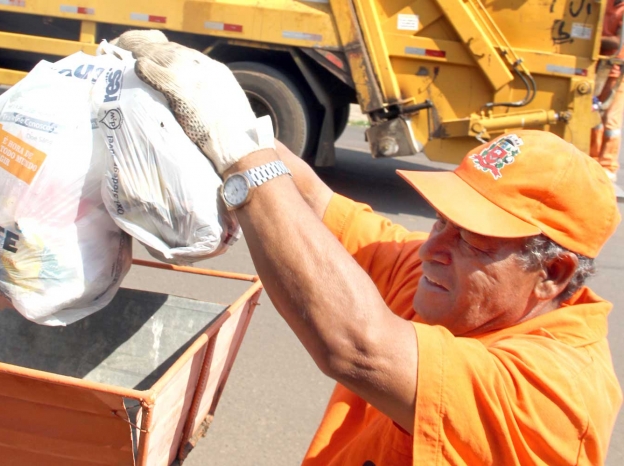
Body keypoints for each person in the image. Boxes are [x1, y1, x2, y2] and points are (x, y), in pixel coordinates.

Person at [114, 31, 622, 464]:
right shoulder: (451, 286)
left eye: (470, 238)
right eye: (441, 221)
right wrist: (212, 100)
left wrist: (243, 169)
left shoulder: (554, 392)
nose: (431, 250)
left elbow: (358, 348)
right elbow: (315, 202)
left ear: (553, 272)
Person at [591, 0, 624, 183]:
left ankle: (608, 165)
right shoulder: (606, 4)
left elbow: (618, 42)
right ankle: (593, 159)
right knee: (593, 114)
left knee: (611, 120)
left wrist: (592, 38)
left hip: (617, 71)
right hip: (599, 65)